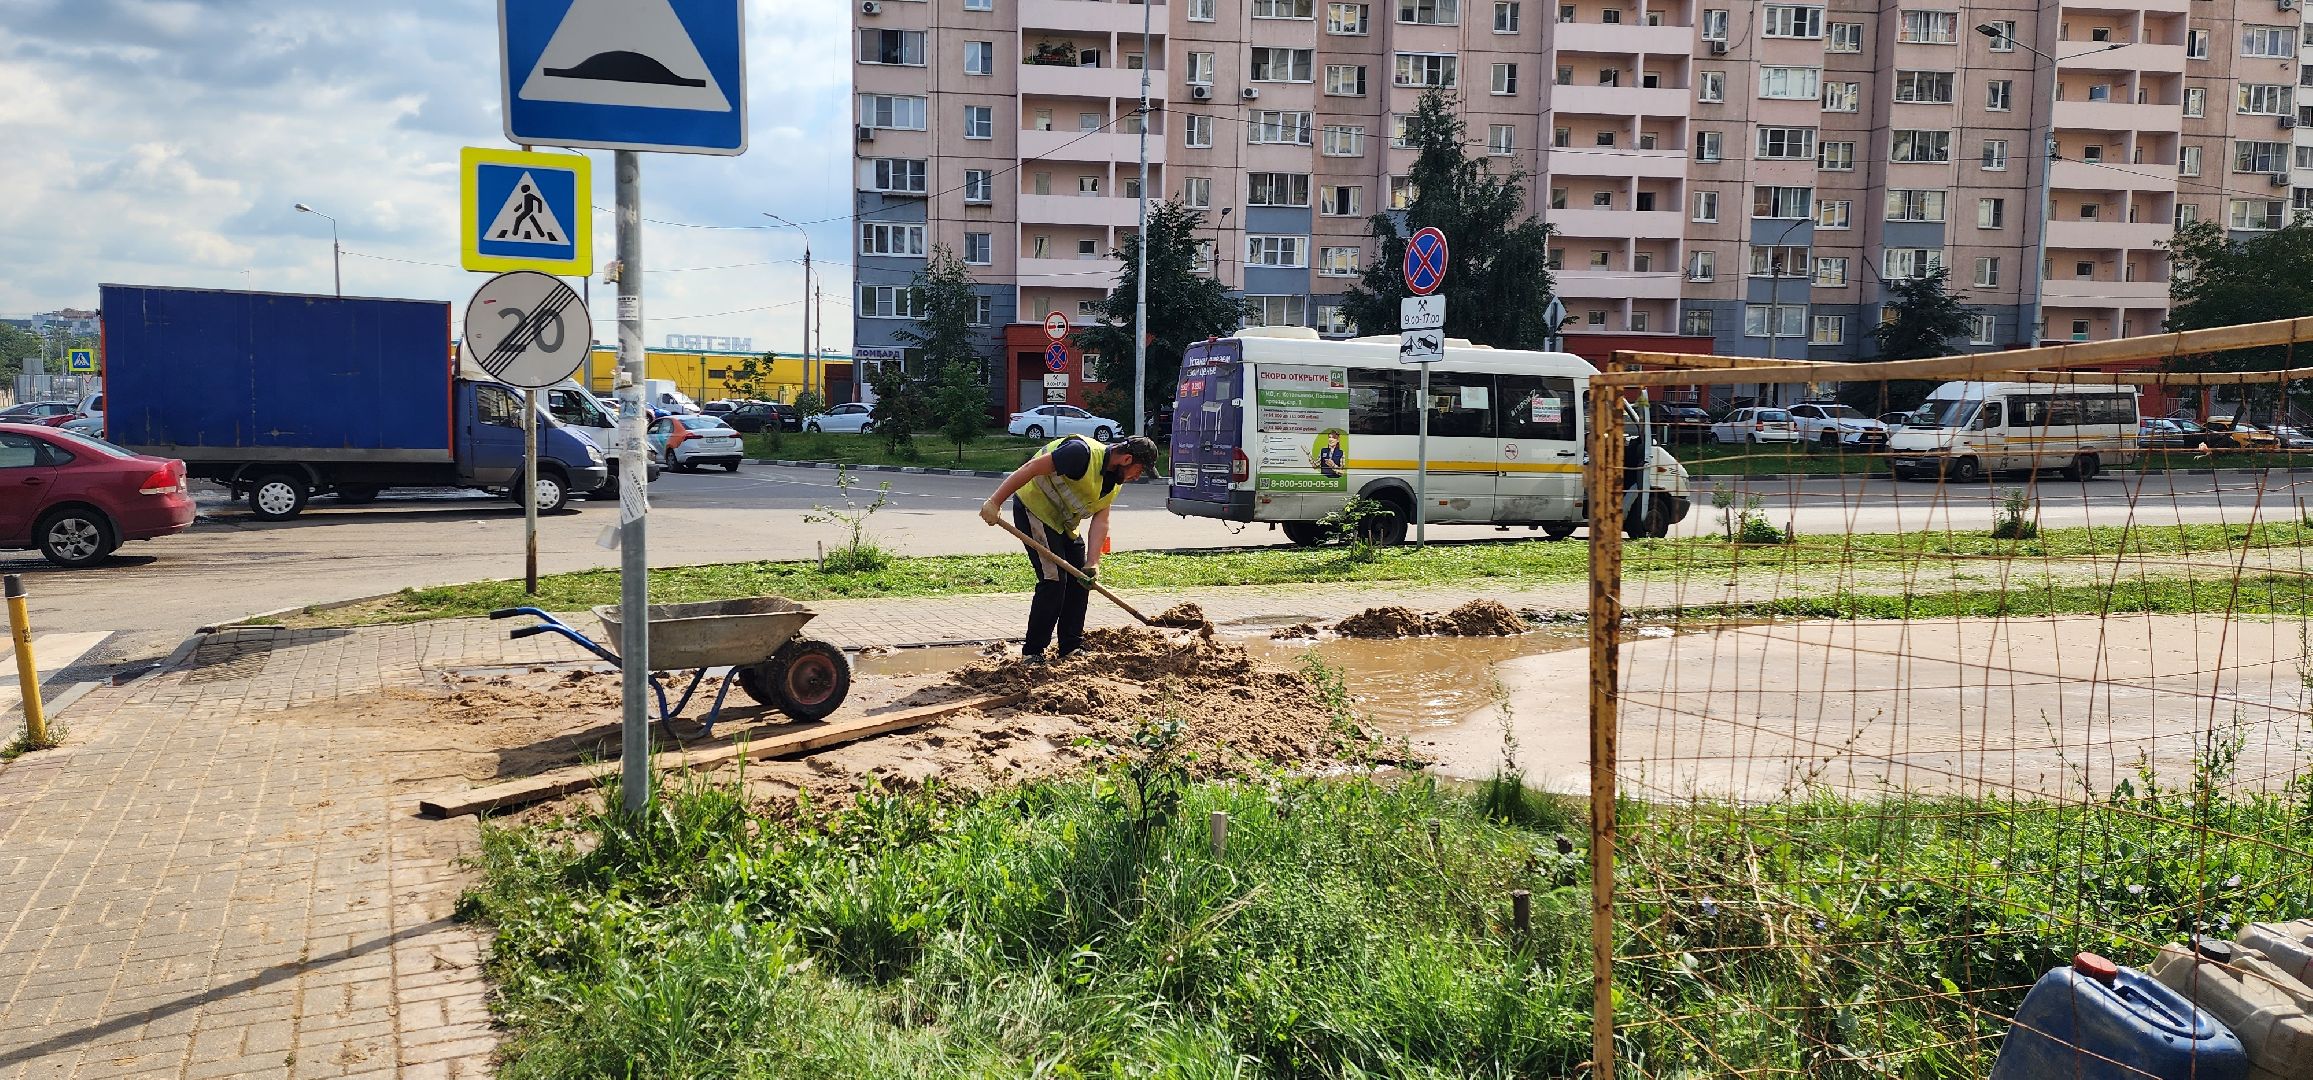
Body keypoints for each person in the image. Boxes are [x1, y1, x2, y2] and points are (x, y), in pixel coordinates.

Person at [980, 433, 1162, 662]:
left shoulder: (1114, 483)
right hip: (1034, 509)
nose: (1137, 477)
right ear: (1126, 459)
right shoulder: (1080, 453)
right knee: (1054, 580)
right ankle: (1033, 652)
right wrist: (995, 502)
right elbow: (1030, 467)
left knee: (1081, 580)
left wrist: (1092, 562)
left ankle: (1070, 647)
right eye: (1140, 470)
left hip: (1063, 523)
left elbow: (1101, 520)